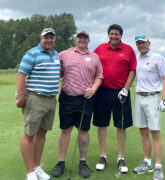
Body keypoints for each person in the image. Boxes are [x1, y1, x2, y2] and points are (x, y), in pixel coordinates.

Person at [52, 30, 103, 178]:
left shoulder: (94, 57)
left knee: (83, 131)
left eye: (85, 38)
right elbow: (56, 68)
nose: (82, 40)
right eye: (79, 37)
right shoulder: (63, 54)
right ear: (75, 39)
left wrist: (93, 89)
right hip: (67, 97)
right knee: (65, 130)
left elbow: (99, 75)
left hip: (86, 99)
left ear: (88, 40)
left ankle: (82, 162)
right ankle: (61, 162)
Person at [16, 28, 60, 180]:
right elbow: (21, 74)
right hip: (35, 99)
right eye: (46, 37)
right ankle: (30, 172)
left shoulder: (55, 54)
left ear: (54, 39)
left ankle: (36, 167)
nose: (49, 40)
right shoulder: (32, 53)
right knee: (29, 134)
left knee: (42, 133)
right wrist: (21, 98)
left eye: (51, 38)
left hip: (51, 100)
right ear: (41, 38)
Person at [93, 24, 137, 173]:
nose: (113, 36)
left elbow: (132, 70)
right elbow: (91, 62)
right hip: (102, 91)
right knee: (102, 124)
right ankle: (103, 156)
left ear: (121, 36)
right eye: (111, 34)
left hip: (121, 93)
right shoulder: (99, 49)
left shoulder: (128, 50)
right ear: (108, 35)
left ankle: (120, 157)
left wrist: (126, 89)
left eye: (116, 34)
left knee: (121, 125)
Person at [133, 35, 165, 180]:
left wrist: (164, 99)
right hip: (139, 97)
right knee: (143, 131)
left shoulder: (157, 57)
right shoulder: (136, 58)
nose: (141, 45)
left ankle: (158, 167)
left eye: (143, 43)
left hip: (153, 97)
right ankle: (147, 162)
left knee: (155, 132)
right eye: (138, 43)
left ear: (149, 43)